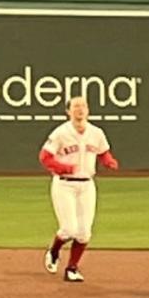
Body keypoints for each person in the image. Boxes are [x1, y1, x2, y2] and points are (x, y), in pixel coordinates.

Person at [39, 96, 118, 283]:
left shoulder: (96, 132)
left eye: (83, 105)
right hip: (64, 184)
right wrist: (63, 168)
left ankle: (72, 268)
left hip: (87, 185)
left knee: (84, 233)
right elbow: (44, 157)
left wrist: (108, 161)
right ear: (68, 111)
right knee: (68, 229)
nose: (80, 109)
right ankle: (54, 250)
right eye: (76, 106)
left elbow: (103, 152)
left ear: (88, 110)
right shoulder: (60, 133)